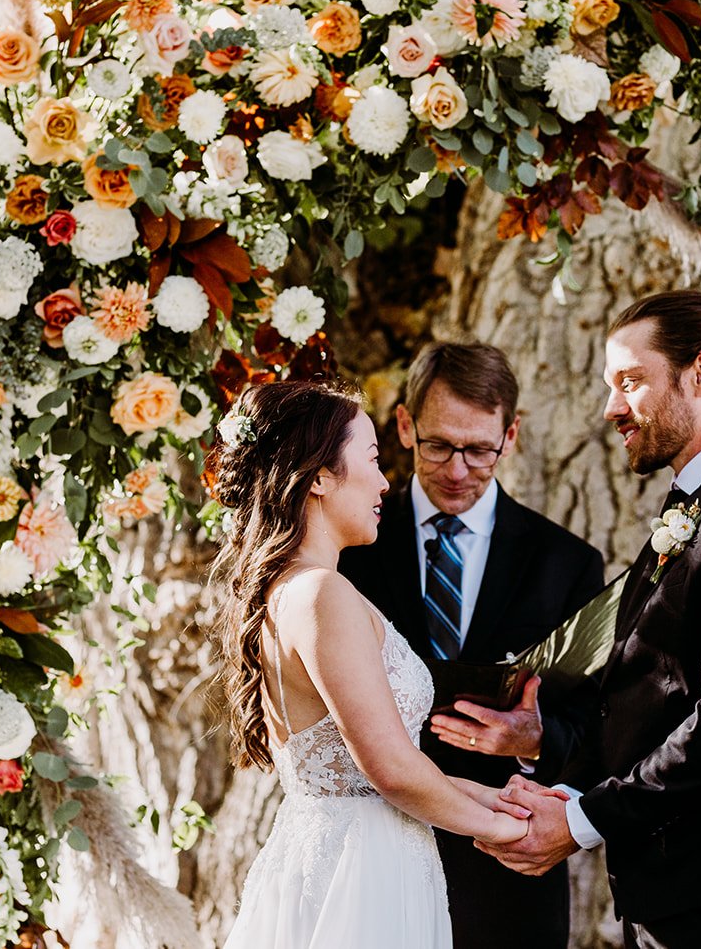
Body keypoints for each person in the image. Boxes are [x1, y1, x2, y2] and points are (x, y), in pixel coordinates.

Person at [478, 290, 701, 949]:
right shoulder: (698, 515)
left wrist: (584, 820)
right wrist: (546, 754)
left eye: (630, 381)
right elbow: (649, 703)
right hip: (674, 908)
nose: (612, 408)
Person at [211, 379, 530, 949]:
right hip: (360, 874)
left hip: (353, 847)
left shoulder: (297, 589)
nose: (386, 481)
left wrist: (495, 797)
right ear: (319, 478)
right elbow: (393, 772)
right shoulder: (319, 595)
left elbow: (374, 773)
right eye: (373, 460)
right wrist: (508, 830)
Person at [339, 341, 606, 949]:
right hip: (374, 857)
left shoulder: (566, 564)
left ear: (510, 436)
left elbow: (601, 727)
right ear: (405, 426)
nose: (457, 470)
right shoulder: (350, 550)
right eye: (438, 445)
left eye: (480, 449)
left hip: (506, 876)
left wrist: (537, 741)